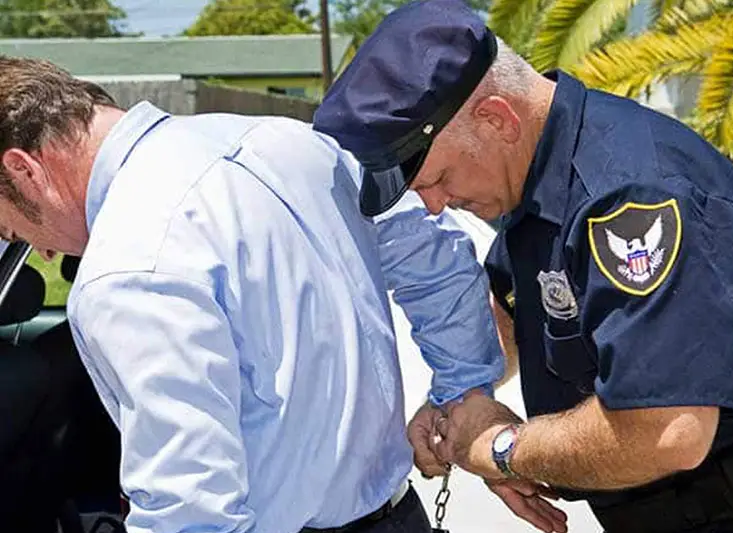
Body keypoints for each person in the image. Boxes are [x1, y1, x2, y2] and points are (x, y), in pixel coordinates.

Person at [311, 0, 733, 532]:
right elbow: (516, 309)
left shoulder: (630, 195)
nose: (432, 203)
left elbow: (668, 429)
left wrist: (499, 448)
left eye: (438, 177)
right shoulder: (540, 178)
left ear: (497, 118)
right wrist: (456, 404)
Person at [0, 56, 509, 533]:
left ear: (24, 169)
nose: (42, 254)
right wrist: (462, 394)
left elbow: (191, 506)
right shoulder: (295, 141)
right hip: (399, 516)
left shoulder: (128, 268)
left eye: (16, 230)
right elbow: (437, 265)